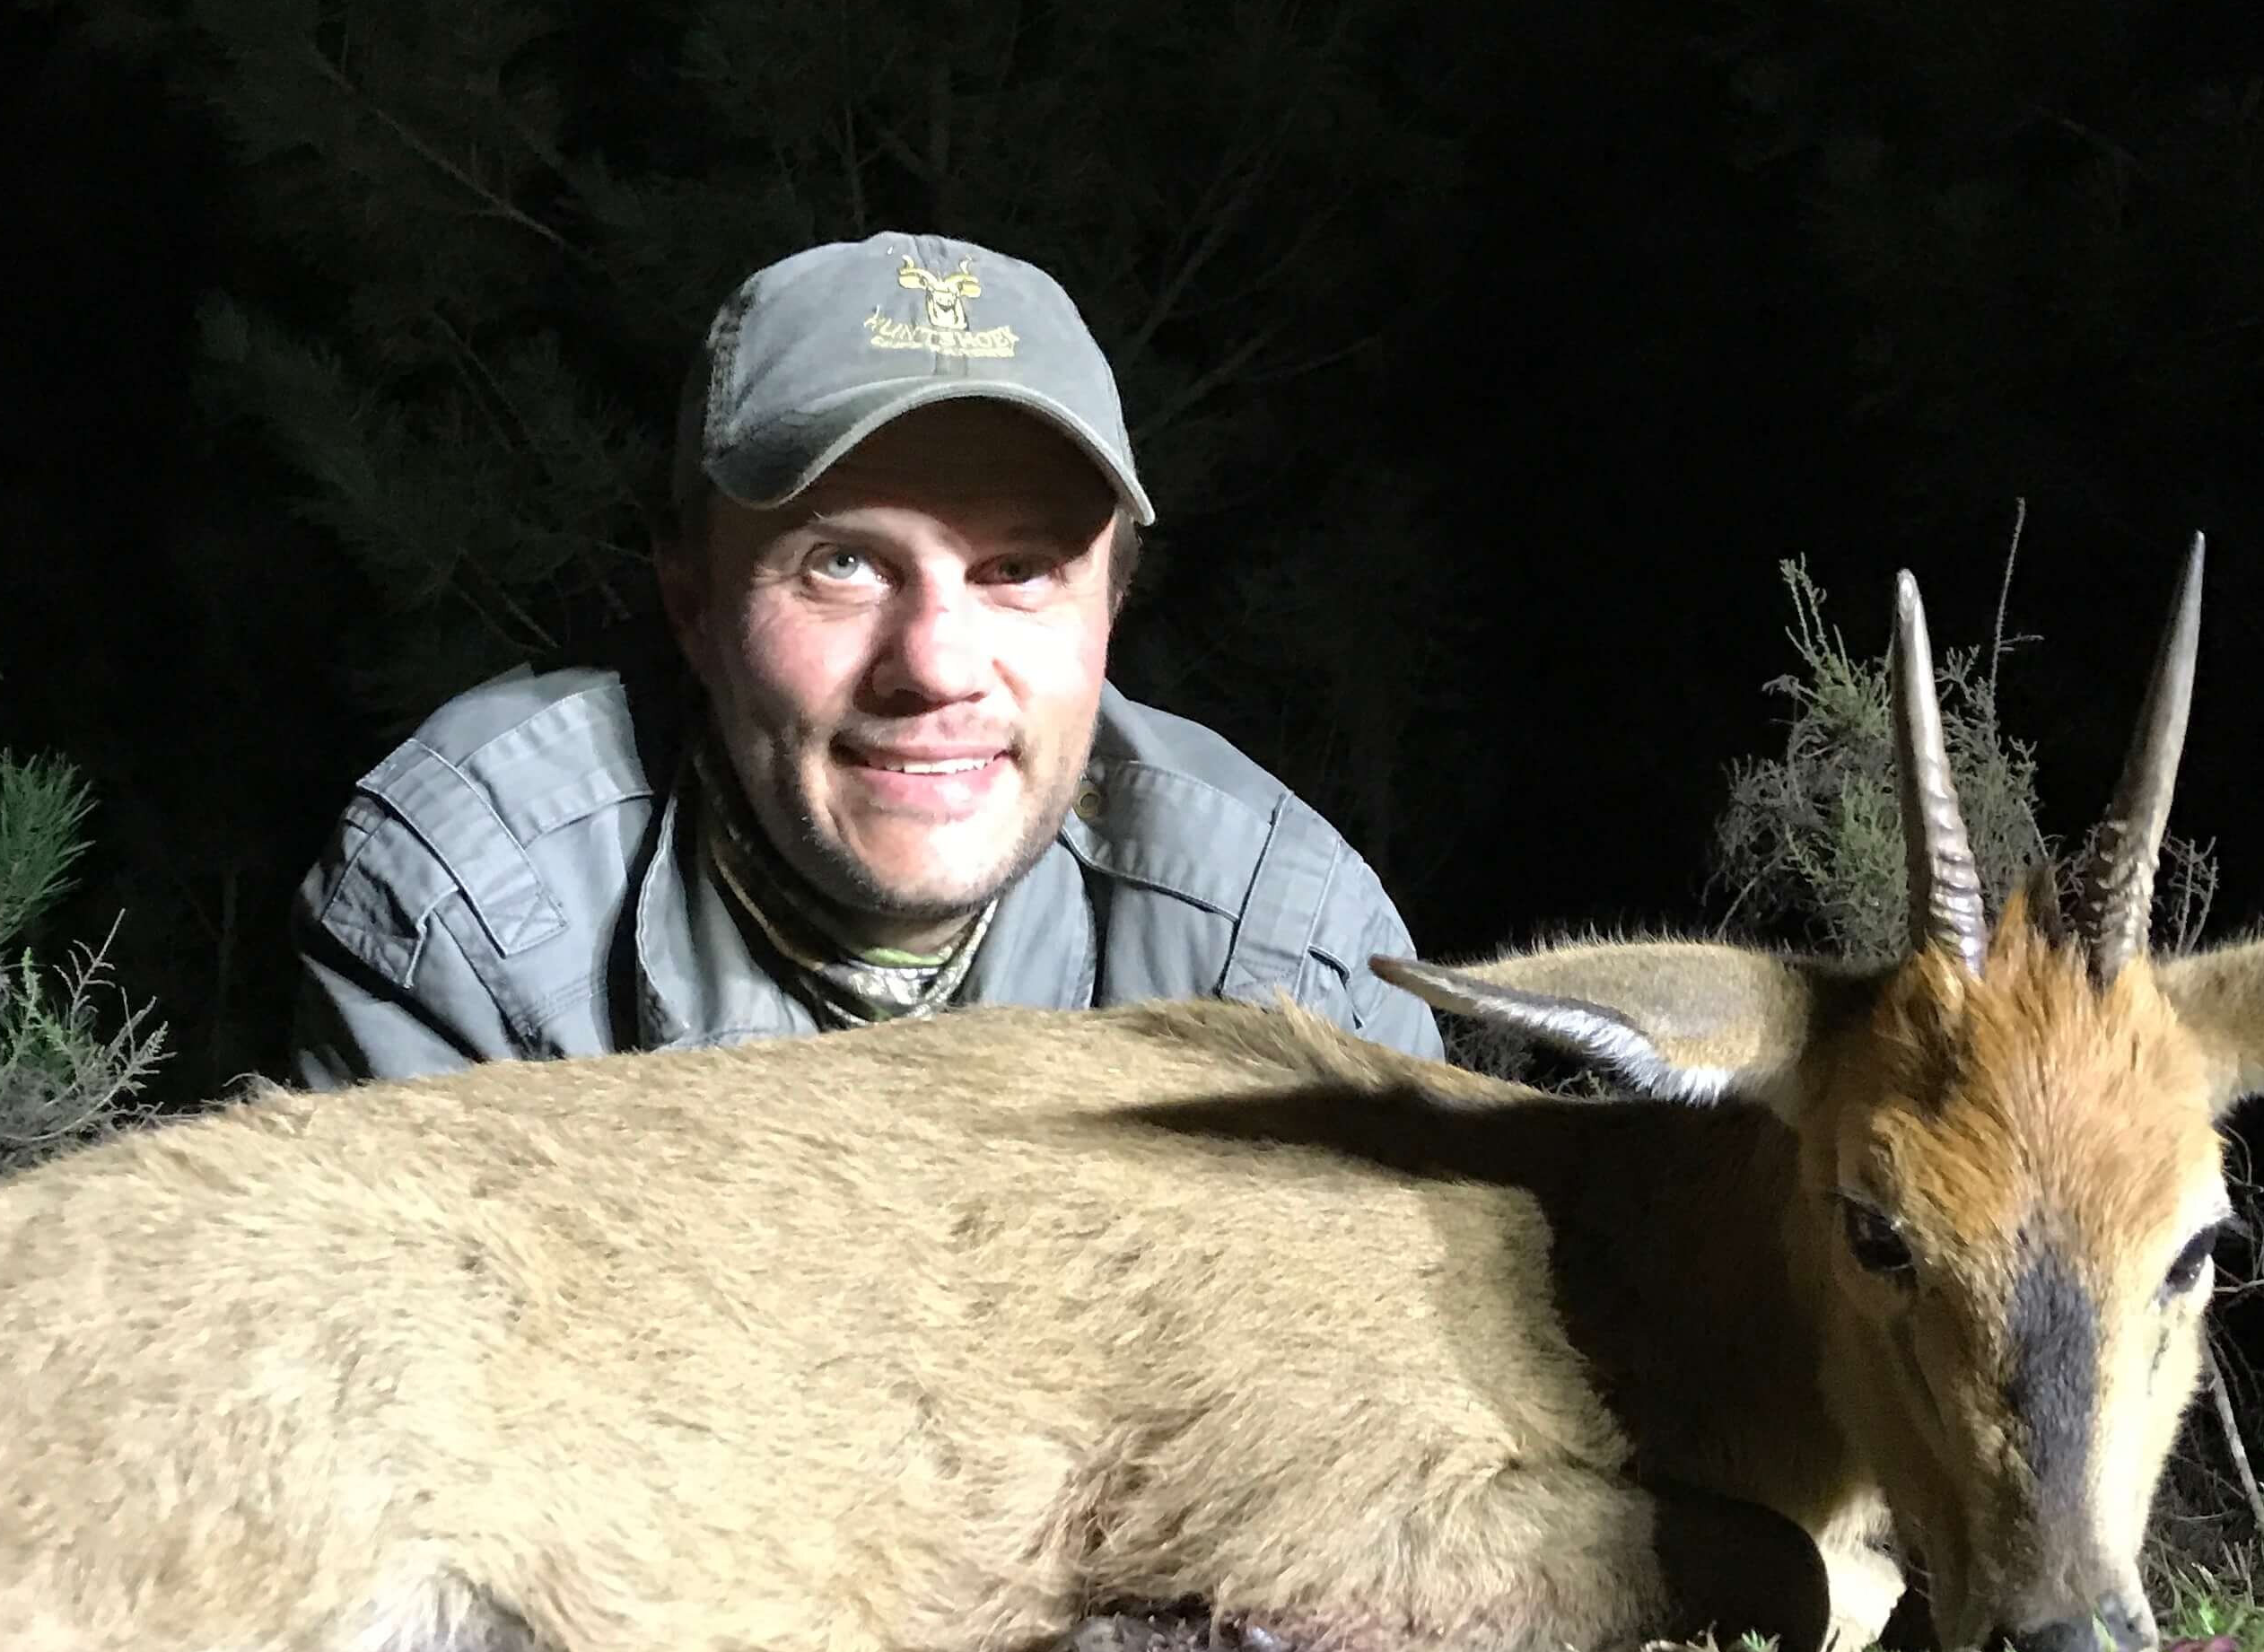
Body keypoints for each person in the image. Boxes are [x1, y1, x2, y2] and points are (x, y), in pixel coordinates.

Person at [293, 232, 1439, 1081]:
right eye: (843, 565)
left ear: (1113, 607)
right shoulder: (470, 909)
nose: (937, 665)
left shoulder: (1284, 951)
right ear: (691, 603)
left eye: (1020, 569)